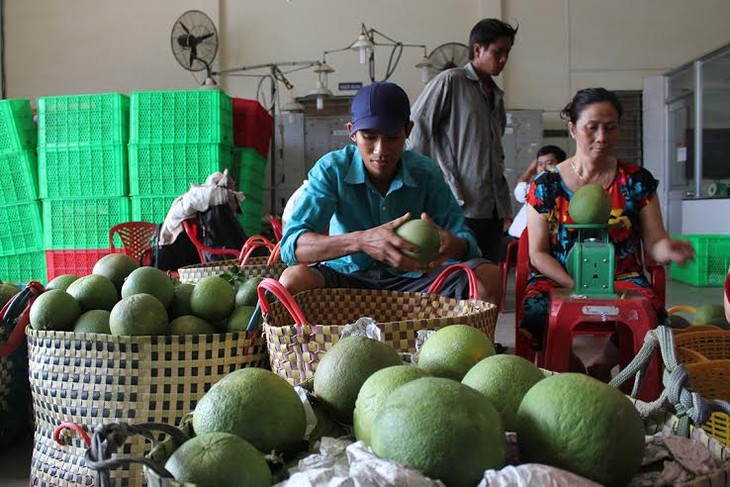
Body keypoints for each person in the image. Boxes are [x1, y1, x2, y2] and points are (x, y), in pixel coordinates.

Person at [522, 87, 695, 377]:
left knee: (654, 315)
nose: (602, 137)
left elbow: (655, 242)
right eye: (592, 128)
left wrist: (669, 249)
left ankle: (603, 364)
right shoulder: (545, 185)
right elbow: (537, 253)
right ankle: (571, 371)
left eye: (610, 128)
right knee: (535, 314)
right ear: (573, 129)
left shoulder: (636, 181)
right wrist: (575, 285)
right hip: (558, 277)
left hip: (621, 277)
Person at [278, 82, 502, 304]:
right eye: (369, 136)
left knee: (488, 277)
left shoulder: (425, 173)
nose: (380, 150)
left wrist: (450, 243)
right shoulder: (331, 169)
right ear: (352, 133)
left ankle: (469, 341)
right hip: (345, 278)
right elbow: (291, 246)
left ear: (408, 131)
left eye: (392, 137)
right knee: (293, 280)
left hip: (414, 281)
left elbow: (466, 243)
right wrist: (362, 241)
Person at [408, 18, 517, 263]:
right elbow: (417, 128)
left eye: (507, 53)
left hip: (492, 209)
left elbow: (495, 153)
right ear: (477, 49)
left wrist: (505, 207)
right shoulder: (451, 81)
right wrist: (420, 187)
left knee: (488, 275)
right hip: (458, 202)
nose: (503, 59)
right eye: (498, 52)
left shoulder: (496, 95)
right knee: (458, 279)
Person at [500, 145, 566, 260]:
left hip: (523, 244)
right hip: (514, 239)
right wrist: (531, 171)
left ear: (561, 164)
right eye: (540, 164)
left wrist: (529, 172)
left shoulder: (556, 189)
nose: (543, 168)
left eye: (549, 163)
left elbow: (519, 190)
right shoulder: (535, 187)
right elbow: (519, 191)